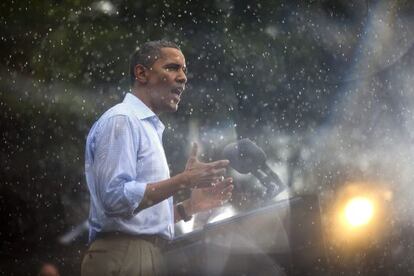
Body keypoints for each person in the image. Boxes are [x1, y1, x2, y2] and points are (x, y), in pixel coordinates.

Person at [81, 40, 233, 276]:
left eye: (184, 70)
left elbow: (138, 220)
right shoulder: (121, 120)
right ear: (141, 73)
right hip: (125, 258)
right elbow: (115, 199)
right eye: (172, 67)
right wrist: (184, 180)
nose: (183, 77)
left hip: (144, 256)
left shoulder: (147, 127)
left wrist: (189, 207)